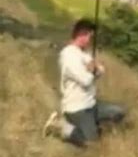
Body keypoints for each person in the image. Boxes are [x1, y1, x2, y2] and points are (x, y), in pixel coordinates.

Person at [45, 18, 126, 146]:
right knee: (91, 144)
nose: (91, 39)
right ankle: (59, 125)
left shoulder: (82, 53)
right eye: (89, 35)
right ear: (82, 34)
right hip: (76, 108)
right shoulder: (68, 56)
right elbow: (86, 80)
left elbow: (101, 70)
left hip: (91, 104)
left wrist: (94, 69)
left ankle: (91, 127)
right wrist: (92, 70)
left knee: (118, 112)